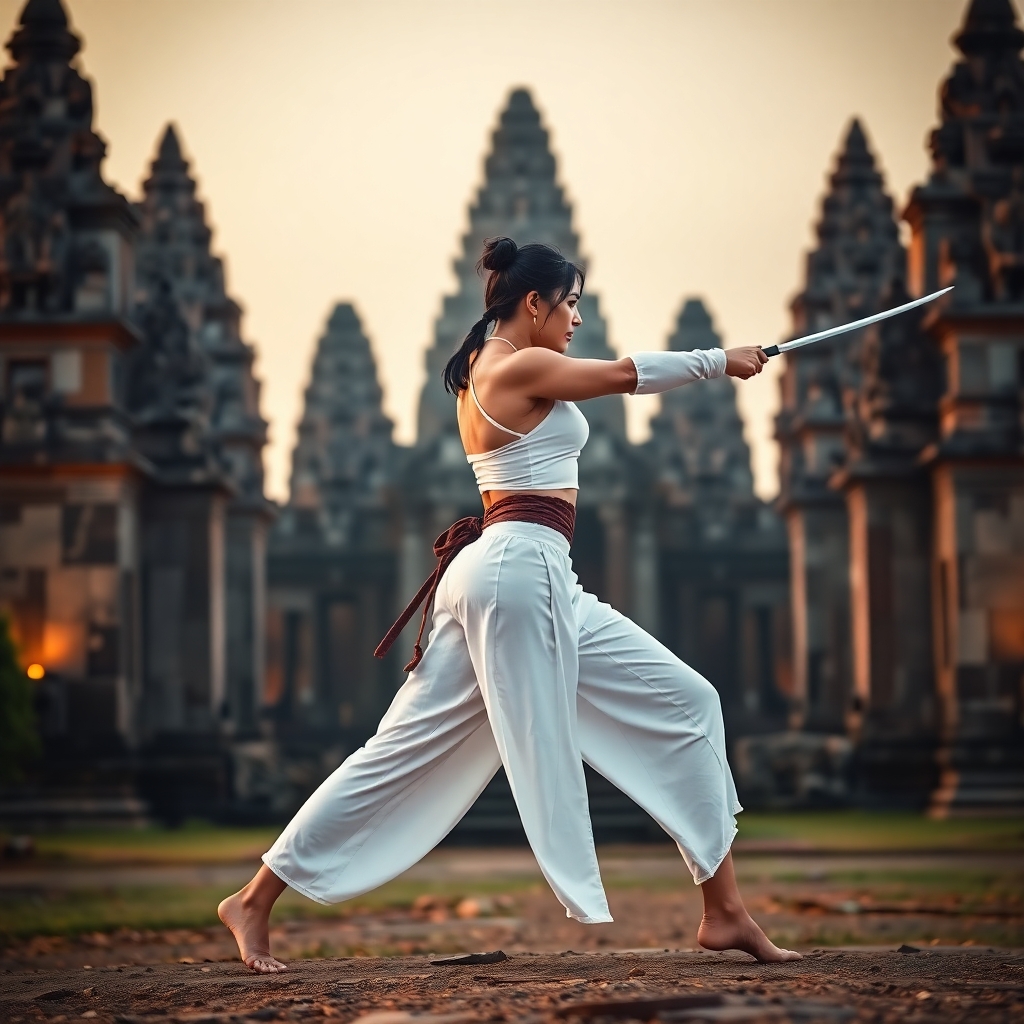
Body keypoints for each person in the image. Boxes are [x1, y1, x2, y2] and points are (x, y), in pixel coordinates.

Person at [219, 237, 798, 973]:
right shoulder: (515, 364)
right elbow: (625, 375)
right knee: (677, 705)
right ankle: (255, 899)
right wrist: (722, 360)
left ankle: (726, 914)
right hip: (520, 573)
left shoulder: (482, 369)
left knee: (684, 702)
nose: (577, 320)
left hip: (517, 571)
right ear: (534, 303)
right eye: (572, 305)